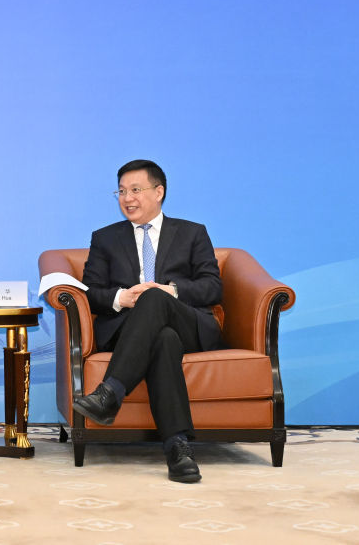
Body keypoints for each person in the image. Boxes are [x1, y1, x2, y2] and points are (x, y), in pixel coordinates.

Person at [74, 159, 223, 483]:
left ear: (159, 192)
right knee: (163, 339)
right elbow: (90, 292)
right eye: (121, 191)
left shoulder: (192, 233)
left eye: (135, 190)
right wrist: (121, 298)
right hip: (129, 329)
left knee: (156, 297)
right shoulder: (105, 238)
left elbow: (213, 286)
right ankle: (178, 447)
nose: (127, 198)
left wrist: (171, 291)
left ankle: (110, 392)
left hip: (188, 324)